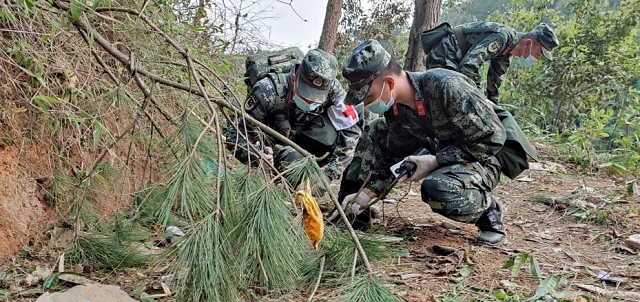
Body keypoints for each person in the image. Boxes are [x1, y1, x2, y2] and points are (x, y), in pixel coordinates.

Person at [338, 39, 512, 246]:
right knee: (376, 129)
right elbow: (394, 155)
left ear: (390, 83)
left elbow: (492, 138)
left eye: (367, 96)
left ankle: (489, 213)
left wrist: (437, 161)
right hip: (437, 150)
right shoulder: (396, 110)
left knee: (437, 189)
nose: (365, 104)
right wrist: (368, 193)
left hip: (483, 157)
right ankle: (353, 213)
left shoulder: (447, 86)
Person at [226, 49, 361, 186]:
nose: (310, 101)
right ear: (294, 79)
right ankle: (285, 179)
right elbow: (235, 135)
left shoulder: (334, 89)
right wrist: (257, 156)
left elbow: (351, 131)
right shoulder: (267, 90)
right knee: (294, 159)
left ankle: (306, 174)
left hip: (306, 138)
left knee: (346, 139)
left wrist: (329, 174)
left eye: (317, 98)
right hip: (274, 145)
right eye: (306, 94)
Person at [423, 22, 559, 103]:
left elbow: (493, 85)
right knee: (449, 101)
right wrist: (480, 99)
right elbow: (468, 67)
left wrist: (494, 109)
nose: (537, 58)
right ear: (529, 43)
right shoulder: (502, 37)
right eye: (538, 53)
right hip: (444, 55)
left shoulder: (506, 53)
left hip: (455, 61)